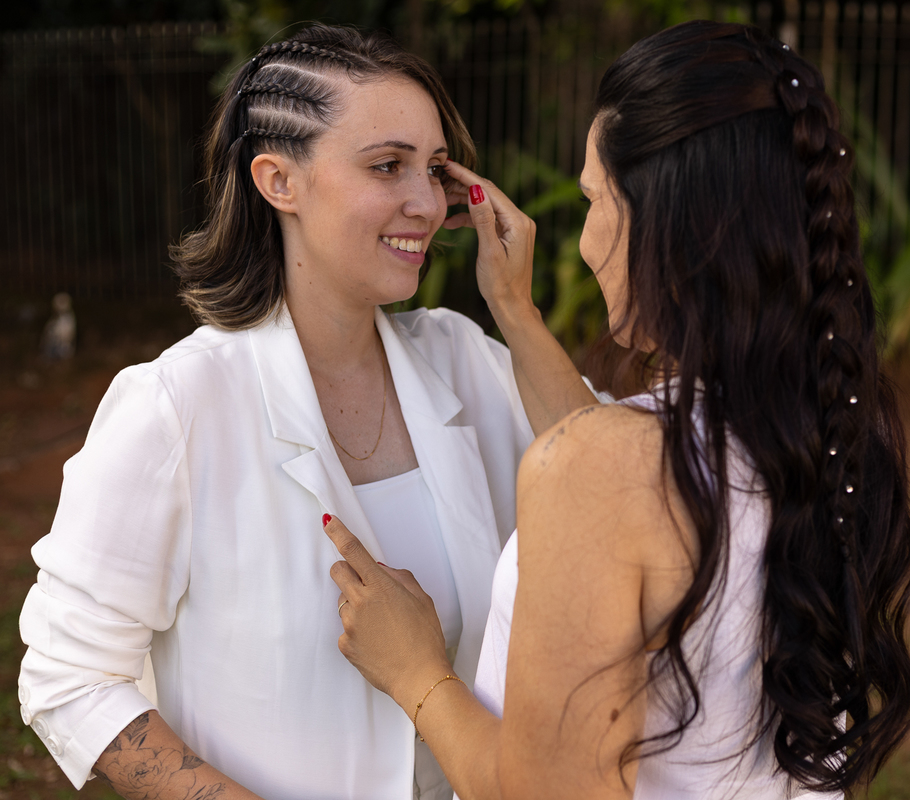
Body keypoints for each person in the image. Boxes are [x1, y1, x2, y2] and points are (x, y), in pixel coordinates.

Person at [326, 19, 910, 800]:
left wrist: (417, 674)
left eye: (593, 201)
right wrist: (513, 307)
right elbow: (629, 481)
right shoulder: (827, 425)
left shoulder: (608, 470)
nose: (580, 243)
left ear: (666, 223)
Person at [17, 24, 595, 800]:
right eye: (387, 166)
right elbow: (67, 675)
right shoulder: (177, 406)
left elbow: (615, 489)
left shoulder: (469, 360)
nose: (425, 203)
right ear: (278, 181)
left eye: (433, 170)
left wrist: (514, 310)